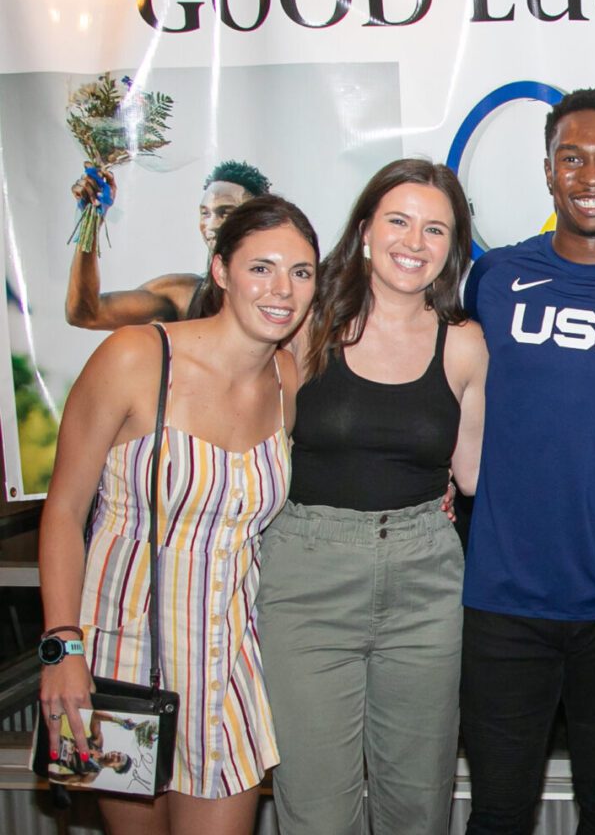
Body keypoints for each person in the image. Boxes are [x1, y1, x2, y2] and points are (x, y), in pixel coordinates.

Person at [37, 195, 318, 834]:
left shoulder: (286, 379)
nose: (282, 289)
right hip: (123, 662)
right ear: (220, 271)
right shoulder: (135, 356)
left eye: (301, 272)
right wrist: (61, 648)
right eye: (261, 268)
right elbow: (64, 510)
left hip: (227, 665)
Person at [459, 87, 595, 835]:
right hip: (504, 602)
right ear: (549, 173)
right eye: (573, 159)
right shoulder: (494, 281)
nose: (593, 176)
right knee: (496, 811)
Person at [258, 160, 487, 835]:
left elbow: (473, 477)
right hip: (306, 576)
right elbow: (254, 454)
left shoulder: (465, 345)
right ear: (363, 231)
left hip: (425, 578)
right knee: (317, 807)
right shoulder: (304, 327)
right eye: (398, 220)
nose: (414, 240)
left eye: (435, 229)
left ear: (453, 249)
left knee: (418, 804)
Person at [67, 159, 273, 328]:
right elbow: (85, 314)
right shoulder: (182, 295)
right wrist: (91, 220)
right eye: (205, 213)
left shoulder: (280, 293)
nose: (212, 224)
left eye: (225, 212)